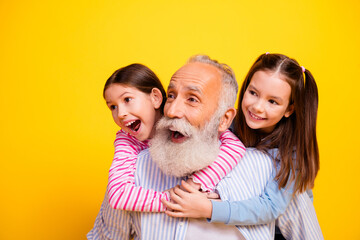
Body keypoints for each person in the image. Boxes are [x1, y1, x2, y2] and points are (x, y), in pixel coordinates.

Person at [87, 55, 322, 239]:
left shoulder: (277, 170)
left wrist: (210, 205)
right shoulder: (131, 172)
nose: (171, 111)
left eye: (192, 99)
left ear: (224, 119)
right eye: (171, 95)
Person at [161, 53, 323, 239]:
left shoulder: (291, 155)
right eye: (253, 93)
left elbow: (270, 208)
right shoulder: (229, 126)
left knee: (296, 196)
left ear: (289, 109)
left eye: (272, 102)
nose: (258, 107)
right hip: (236, 222)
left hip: (278, 229)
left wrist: (210, 208)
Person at [93, 63, 245, 213]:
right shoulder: (126, 139)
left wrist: (194, 185)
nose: (120, 114)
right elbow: (118, 194)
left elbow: (235, 146)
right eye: (112, 106)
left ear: (156, 98)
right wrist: (174, 199)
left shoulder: (181, 120)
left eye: (127, 100)